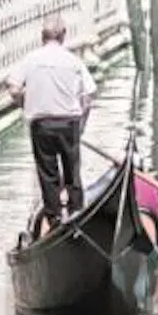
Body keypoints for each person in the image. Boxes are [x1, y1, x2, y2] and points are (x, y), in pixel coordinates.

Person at [22, 16, 94, 226]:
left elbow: (13, 86)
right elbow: (89, 96)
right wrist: (82, 125)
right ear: (63, 36)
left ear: (42, 37)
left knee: (48, 173)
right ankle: (77, 214)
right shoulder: (72, 60)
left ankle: (53, 218)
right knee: (72, 171)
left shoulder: (31, 59)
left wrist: (25, 104)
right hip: (69, 123)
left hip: (41, 124)